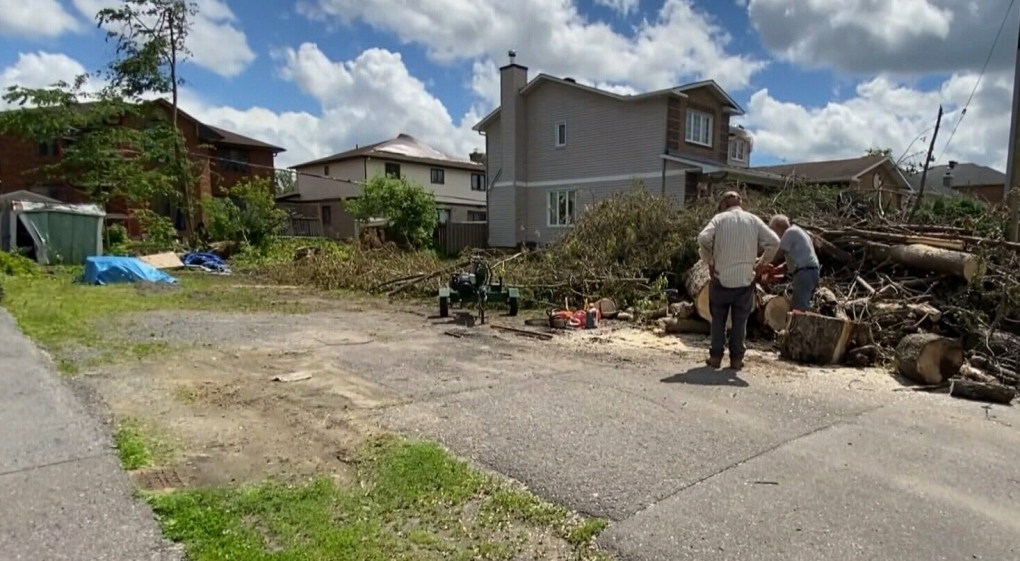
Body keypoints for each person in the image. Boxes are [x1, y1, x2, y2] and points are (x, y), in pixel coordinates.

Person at [697, 191, 780, 370]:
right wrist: (761, 264)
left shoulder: (719, 219)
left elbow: (703, 238)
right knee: (739, 322)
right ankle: (736, 359)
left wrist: (710, 261)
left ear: (724, 205)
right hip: (745, 279)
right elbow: (774, 241)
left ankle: (716, 357)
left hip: (721, 278)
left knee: (718, 320)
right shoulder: (753, 220)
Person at [768, 214, 820, 312]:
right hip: (810, 271)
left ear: (779, 226)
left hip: (804, 273)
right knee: (799, 304)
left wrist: (763, 262)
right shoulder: (798, 231)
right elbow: (797, 256)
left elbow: (779, 253)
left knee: (798, 308)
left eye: (774, 231)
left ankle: (801, 326)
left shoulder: (789, 233)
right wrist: (779, 269)